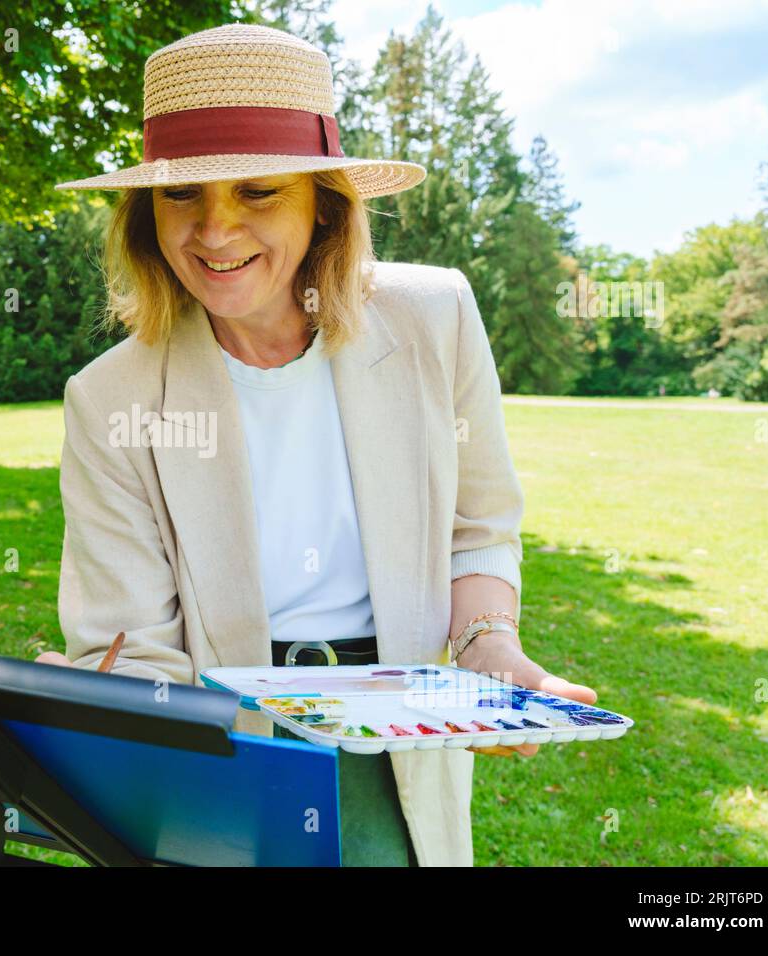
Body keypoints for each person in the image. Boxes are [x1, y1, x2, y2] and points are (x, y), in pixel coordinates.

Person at [36, 23, 597, 866]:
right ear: (145, 214)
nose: (214, 234)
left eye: (258, 192)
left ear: (322, 202)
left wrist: (490, 649)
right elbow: (129, 638)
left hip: (405, 743)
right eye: (182, 196)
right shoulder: (109, 396)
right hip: (222, 746)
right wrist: (131, 703)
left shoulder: (435, 317)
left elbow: (478, 526)